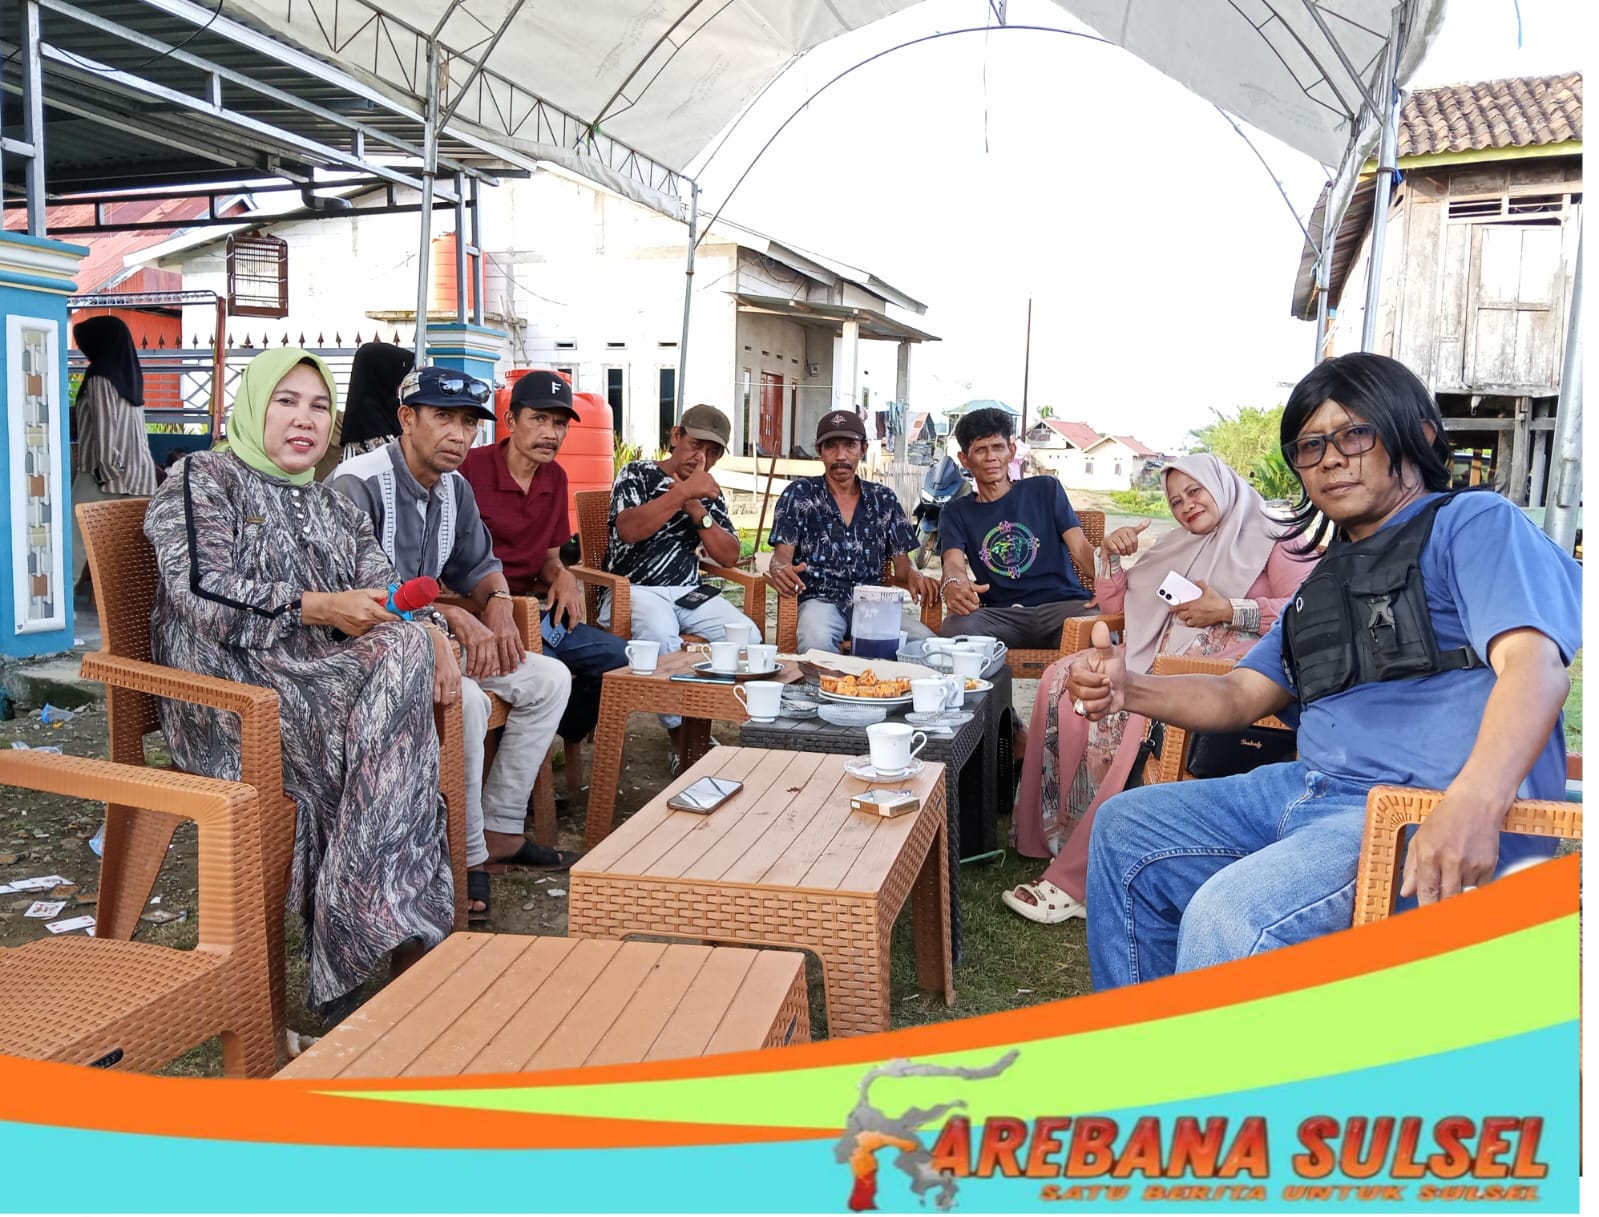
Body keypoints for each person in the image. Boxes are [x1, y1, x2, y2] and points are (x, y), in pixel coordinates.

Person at [1070, 353, 1581, 988]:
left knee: (1231, 913)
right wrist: (1130, 686)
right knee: (1126, 828)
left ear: (1420, 436)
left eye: (1355, 434)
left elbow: (1535, 667)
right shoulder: (1324, 581)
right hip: (1306, 790)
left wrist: (1475, 801)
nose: (1331, 459)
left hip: (1413, 809)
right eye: (1311, 446)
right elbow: (1237, 695)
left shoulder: (1471, 524)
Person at [144, 347, 453, 1019]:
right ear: (254, 405)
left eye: (319, 406)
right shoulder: (202, 478)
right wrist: (317, 607)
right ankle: (376, 933)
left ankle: (355, 937)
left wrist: (432, 629)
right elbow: (202, 591)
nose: (304, 419)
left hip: (313, 686)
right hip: (227, 697)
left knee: (404, 657)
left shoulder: (331, 503)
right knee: (396, 735)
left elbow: (385, 587)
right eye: (285, 401)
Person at [1001, 454, 1319, 924]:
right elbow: (1119, 602)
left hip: (1225, 673)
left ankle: (1080, 878)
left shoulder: (1276, 536)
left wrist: (1230, 610)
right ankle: (1054, 833)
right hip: (1155, 654)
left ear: (1221, 484)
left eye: (1195, 491)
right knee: (1061, 677)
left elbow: (1306, 608)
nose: (1187, 506)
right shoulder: (1179, 544)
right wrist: (1111, 556)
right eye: (1176, 501)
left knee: (1137, 704)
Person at [330, 366, 576, 924]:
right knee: (463, 699)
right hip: (361, 653)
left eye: (468, 423)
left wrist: (497, 602)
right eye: (443, 417)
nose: (458, 435)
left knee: (549, 678)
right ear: (406, 418)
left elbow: (479, 565)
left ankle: (501, 829)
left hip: (431, 638)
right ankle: (462, 855)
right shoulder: (358, 484)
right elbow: (355, 600)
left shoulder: (454, 487)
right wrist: (449, 614)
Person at [460, 369, 628, 746]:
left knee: (621, 658)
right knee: (548, 668)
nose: (551, 433)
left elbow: (550, 559)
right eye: (538, 419)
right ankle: (529, 742)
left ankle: (554, 732)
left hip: (535, 609)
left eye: (559, 423)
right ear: (510, 421)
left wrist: (563, 576)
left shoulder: (555, 477)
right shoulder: (469, 469)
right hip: (483, 611)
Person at [603, 403, 760, 763]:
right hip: (633, 589)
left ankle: (701, 723)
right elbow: (629, 530)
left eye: (713, 451)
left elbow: (729, 555)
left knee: (747, 638)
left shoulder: (709, 491)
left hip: (688, 591)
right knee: (662, 633)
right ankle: (681, 738)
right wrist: (682, 494)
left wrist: (698, 510)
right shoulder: (637, 474)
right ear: (676, 436)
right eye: (695, 445)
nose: (702, 457)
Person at [765, 410, 938, 653]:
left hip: (873, 605)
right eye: (831, 446)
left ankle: (886, 679)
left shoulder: (883, 499)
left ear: (863, 449)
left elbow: (903, 566)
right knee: (816, 640)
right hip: (820, 603)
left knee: (930, 646)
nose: (840, 456)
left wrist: (914, 576)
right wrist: (780, 567)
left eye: (850, 446)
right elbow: (782, 555)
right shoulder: (800, 494)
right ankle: (824, 680)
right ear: (819, 450)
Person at [937, 407, 1098, 648]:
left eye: (998, 447)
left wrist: (1109, 578)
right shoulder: (955, 512)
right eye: (980, 450)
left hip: (1062, 609)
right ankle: (995, 675)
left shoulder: (1046, 489)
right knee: (956, 628)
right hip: (1002, 616)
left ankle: (1067, 676)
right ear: (964, 459)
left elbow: (1082, 550)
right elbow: (953, 564)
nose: (991, 457)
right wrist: (953, 582)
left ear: (1011, 451)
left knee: (1096, 626)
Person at [71, 316, 158, 589]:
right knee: (126, 558)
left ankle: (55, 604)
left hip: (104, 476)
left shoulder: (100, 375)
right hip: (141, 478)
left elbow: (105, 427)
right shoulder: (131, 375)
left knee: (72, 545)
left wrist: (105, 473)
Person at [315, 340, 415, 481]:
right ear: (385, 378)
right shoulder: (366, 427)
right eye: (400, 378)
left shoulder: (392, 414)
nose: (402, 386)